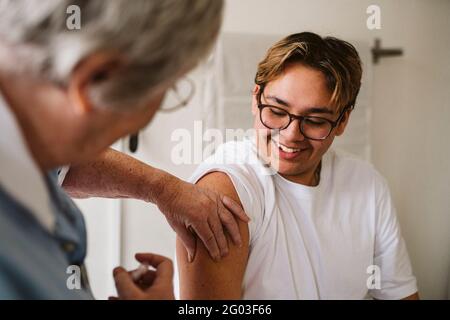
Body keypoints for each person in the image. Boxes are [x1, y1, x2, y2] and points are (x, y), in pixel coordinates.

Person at [0, 0, 248, 300]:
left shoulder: (28, 132)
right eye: (167, 92)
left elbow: (65, 162)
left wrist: (163, 188)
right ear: (95, 80)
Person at [176, 32, 419, 300]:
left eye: (315, 120)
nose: (291, 134)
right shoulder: (226, 189)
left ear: (342, 121)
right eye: (277, 111)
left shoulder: (367, 185)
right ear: (256, 100)